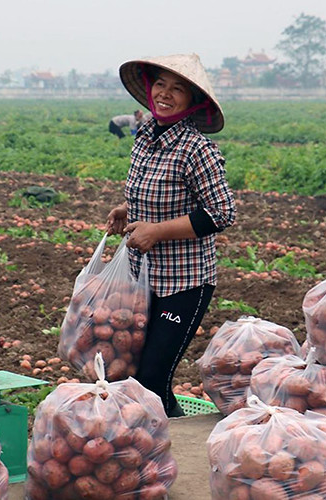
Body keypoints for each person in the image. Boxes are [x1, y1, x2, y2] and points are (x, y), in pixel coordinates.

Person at [106, 54, 236, 418]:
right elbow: (159, 191)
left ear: (193, 101)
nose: (165, 93)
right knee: (135, 373)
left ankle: (169, 446)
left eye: (178, 89)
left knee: (151, 379)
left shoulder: (198, 150)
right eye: (160, 84)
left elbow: (221, 212)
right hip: (142, 278)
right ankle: (160, 440)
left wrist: (157, 231)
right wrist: (129, 209)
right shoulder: (145, 136)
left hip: (184, 283)